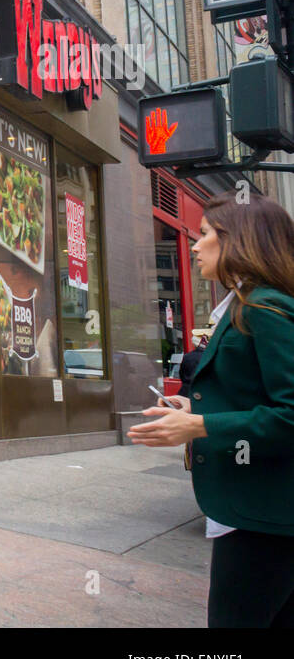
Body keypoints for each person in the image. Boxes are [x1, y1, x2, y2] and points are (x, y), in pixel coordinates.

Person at [129, 191, 294, 627]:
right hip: (258, 512)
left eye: (204, 235)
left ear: (239, 241)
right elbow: (255, 393)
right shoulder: (247, 306)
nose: (195, 245)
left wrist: (198, 425)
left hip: (264, 516)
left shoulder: (265, 308)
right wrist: (193, 405)